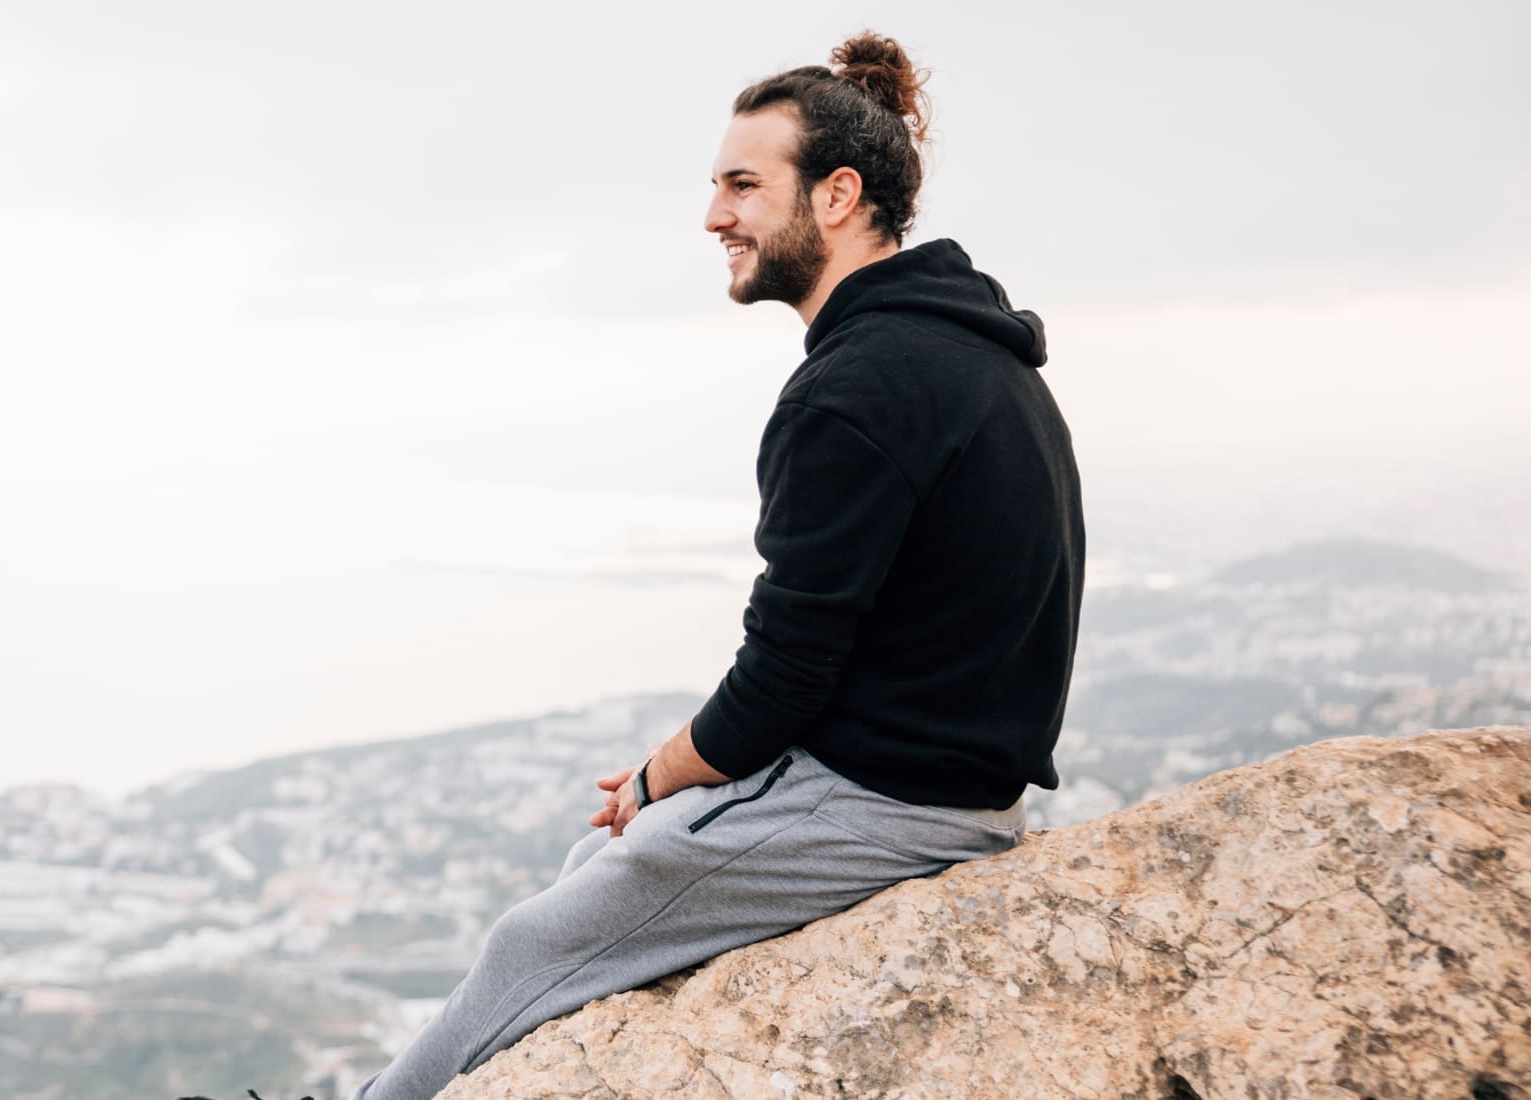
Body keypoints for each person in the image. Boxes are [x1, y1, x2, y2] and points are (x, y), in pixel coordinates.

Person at [346, 30, 1083, 1100]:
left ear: (835, 196)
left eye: (742, 185)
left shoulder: (856, 389)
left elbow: (783, 675)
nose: (713, 216)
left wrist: (659, 770)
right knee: (594, 878)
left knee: (531, 942)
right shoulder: (969, 350)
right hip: (951, 778)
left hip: (889, 799)